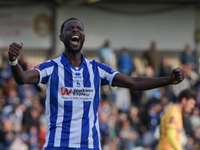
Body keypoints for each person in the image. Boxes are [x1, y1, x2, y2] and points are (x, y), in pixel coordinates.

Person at [8, 18, 184, 150]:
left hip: (90, 146)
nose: (75, 30)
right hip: (57, 145)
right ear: (62, 37)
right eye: (70, 29)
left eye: (79, 28)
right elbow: (22, 78)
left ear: (83, 37)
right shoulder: (52, 67)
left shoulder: (96, 69)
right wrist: (13, 61)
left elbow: (133, 82)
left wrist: (168, 80)